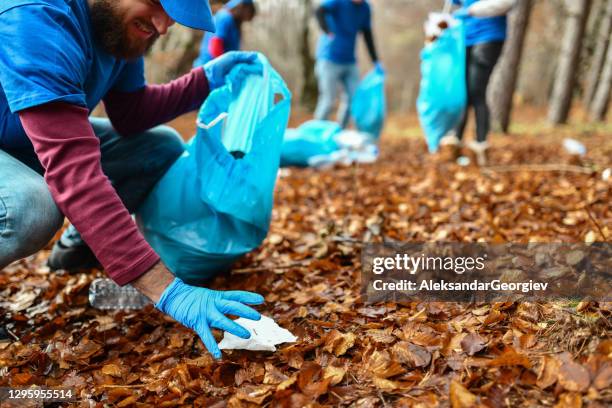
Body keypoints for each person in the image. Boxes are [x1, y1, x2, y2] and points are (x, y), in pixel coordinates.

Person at [0, 0, 265, 359]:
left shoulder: (115, 28)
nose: (162, 25)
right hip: (24, 143)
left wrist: (206, 79)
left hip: (25, 139)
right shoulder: (37, 14)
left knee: (158, 146)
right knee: (28, 208)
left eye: (171, 14)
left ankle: (80, 249)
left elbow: (131, 113)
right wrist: (166, 290)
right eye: (155, 3)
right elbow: (71, 167)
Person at [440, 0, 516, 165]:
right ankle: (455, 141)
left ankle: (481, 145)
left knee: (476, 90)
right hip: (464, 36)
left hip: (489, 34)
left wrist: (471, 10)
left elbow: (507, 3)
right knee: (462, 91)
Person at [314, 0, 382, 128]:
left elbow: (367, 35)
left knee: (354, 100)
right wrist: (326, 30)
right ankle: (316, 134)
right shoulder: (338, 2)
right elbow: (319, 11)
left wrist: (375, 60)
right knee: (328, 100)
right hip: (328, 59)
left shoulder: (365, 8)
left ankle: (340, 131)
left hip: (350, 61)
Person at [193, 0, 256, 67]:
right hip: (209, 67)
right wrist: (226, 66)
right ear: (243, 8)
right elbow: (216, 45)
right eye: (248, 12)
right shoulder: (224, 17)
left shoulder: (234, 22)